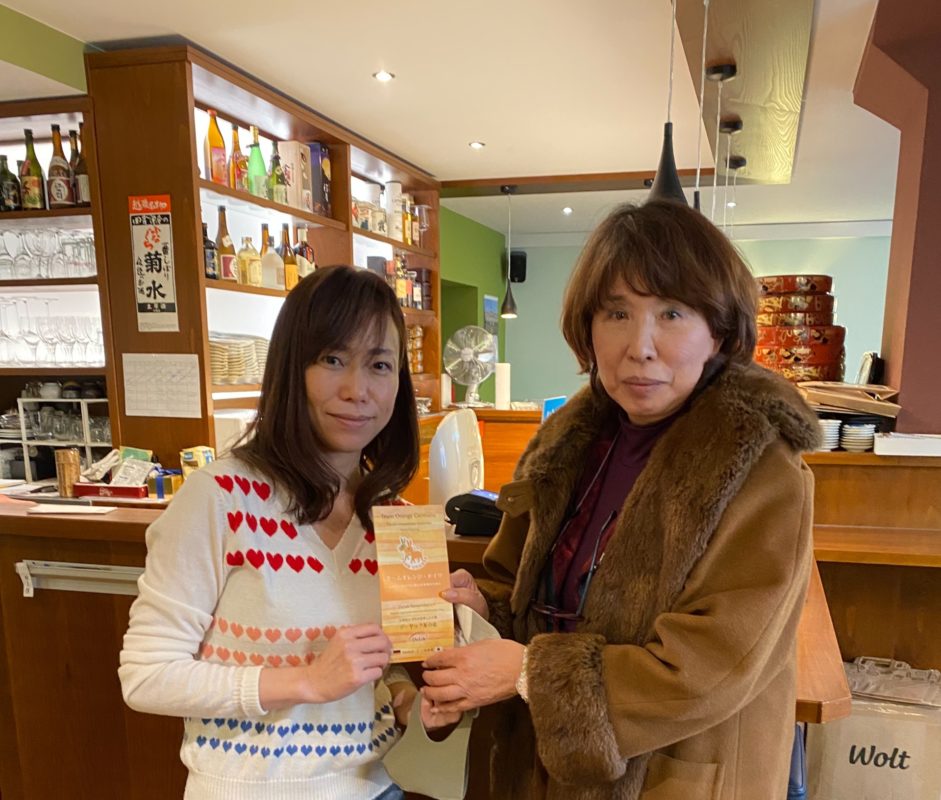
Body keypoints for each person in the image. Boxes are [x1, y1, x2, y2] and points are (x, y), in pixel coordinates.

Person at [422, 201, 821, 800]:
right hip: (533, 771)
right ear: (588, 328)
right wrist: (483, 608)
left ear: (718, 332)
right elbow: (520, 591)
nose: (640, 346)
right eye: (616, 313)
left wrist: (530, 674)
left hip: (670, 777)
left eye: (672, 313)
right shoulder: (564, 443)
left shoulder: (761, 472)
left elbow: (709, 668)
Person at [119, 265, 458, 800]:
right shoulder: (220, 497)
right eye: (332, 359)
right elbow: (146, 676)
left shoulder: (390, 518)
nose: (357, 390)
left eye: (380, 365)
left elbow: (373, 667)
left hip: (377, 787)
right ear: (290, 368)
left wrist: (405, 698)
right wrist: (305, 681)